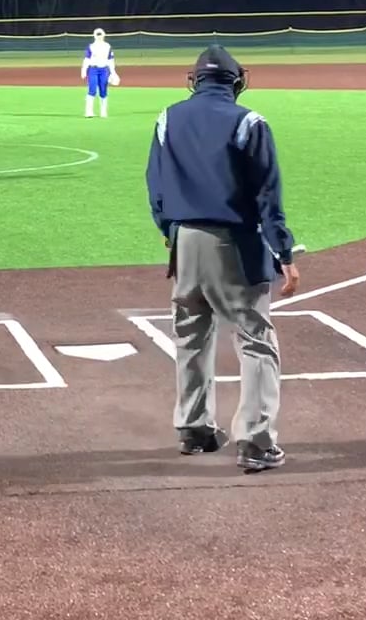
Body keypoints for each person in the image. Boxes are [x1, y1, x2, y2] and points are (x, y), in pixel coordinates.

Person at [145, 43, 300, 473]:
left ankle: (194, 429)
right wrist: (284, 253)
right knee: (255, 338)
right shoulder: (249, 122)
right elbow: (267, 196)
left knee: (191, 334)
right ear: (237, 82)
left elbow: (155, 184)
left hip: (184, 244)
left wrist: (169, 231)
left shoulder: (168, 118)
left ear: (194, 81)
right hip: (234, 244)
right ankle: (256, 441)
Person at [81, 28, 119, 117]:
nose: (99, 37)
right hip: (93, 69)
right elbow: (87, 59)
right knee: (92, 90)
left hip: (104, 70)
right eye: (97, 35)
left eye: (100, 35)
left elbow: (110, 60)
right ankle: (89, 111)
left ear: (103, 35)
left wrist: (113, 72)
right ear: (94, 36)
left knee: (103, 90)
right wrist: (84, 70)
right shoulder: (91, 46)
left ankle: (103, 112)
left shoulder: (107, 46)